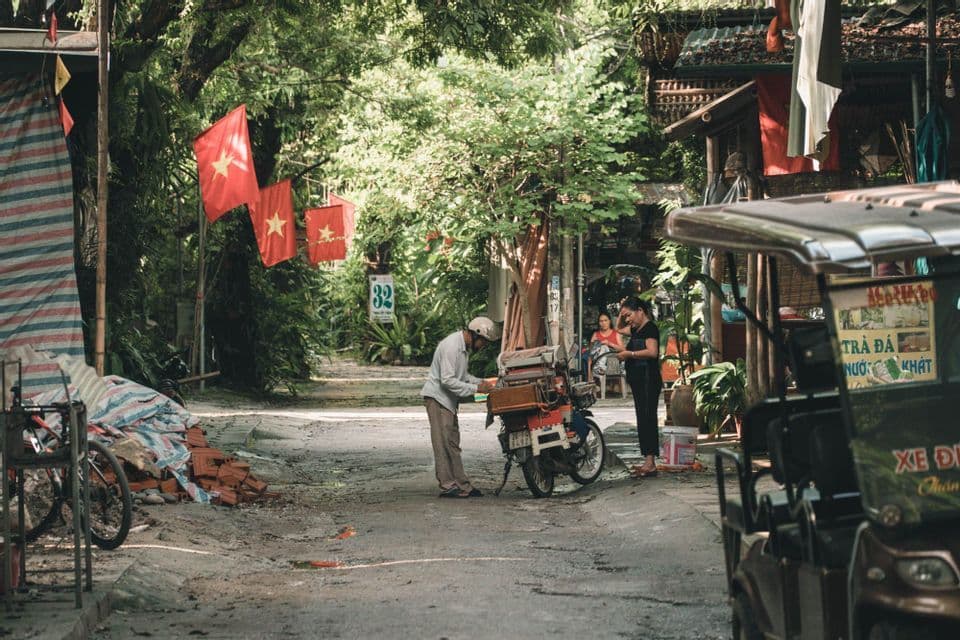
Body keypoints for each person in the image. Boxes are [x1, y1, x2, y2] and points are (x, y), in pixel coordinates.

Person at [421, 316, 501, 499]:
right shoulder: (452, 346)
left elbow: (463, 376)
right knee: (443, 444)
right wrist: (477, 388)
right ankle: (448, 485)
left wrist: (482, 382)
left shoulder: (462, 348)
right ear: (476, 335)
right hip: (438, 398)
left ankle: (461, 484)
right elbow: (447, 380)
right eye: (483, 342)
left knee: (452, 443)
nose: (483, 346)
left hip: (447, 401)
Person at [617, 297, 661, 477]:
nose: (627, 320)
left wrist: (629, 354)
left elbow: (652, 352)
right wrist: (621, 312)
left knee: (648, 418)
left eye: (629, 315)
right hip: (638, 380)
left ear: (640, 311)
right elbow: (618, 328)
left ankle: (651, 463)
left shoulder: (650, 328)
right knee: (642, 418)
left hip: (648, 379)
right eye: (625, 316)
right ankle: (647, 461)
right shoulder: (635, 329)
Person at [586, 311, 624, 380]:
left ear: (609, 321)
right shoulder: (595, 335)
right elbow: (590, 357)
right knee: (602, 347)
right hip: (598, 370)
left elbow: (623, 349)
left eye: (605, 320)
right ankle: (600, 371)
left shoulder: (616, 334)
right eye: (601, 321)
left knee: (604, 347)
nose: (603, 323)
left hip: (614, 365)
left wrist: (609, 343)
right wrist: (589, 376)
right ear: (599, 323)